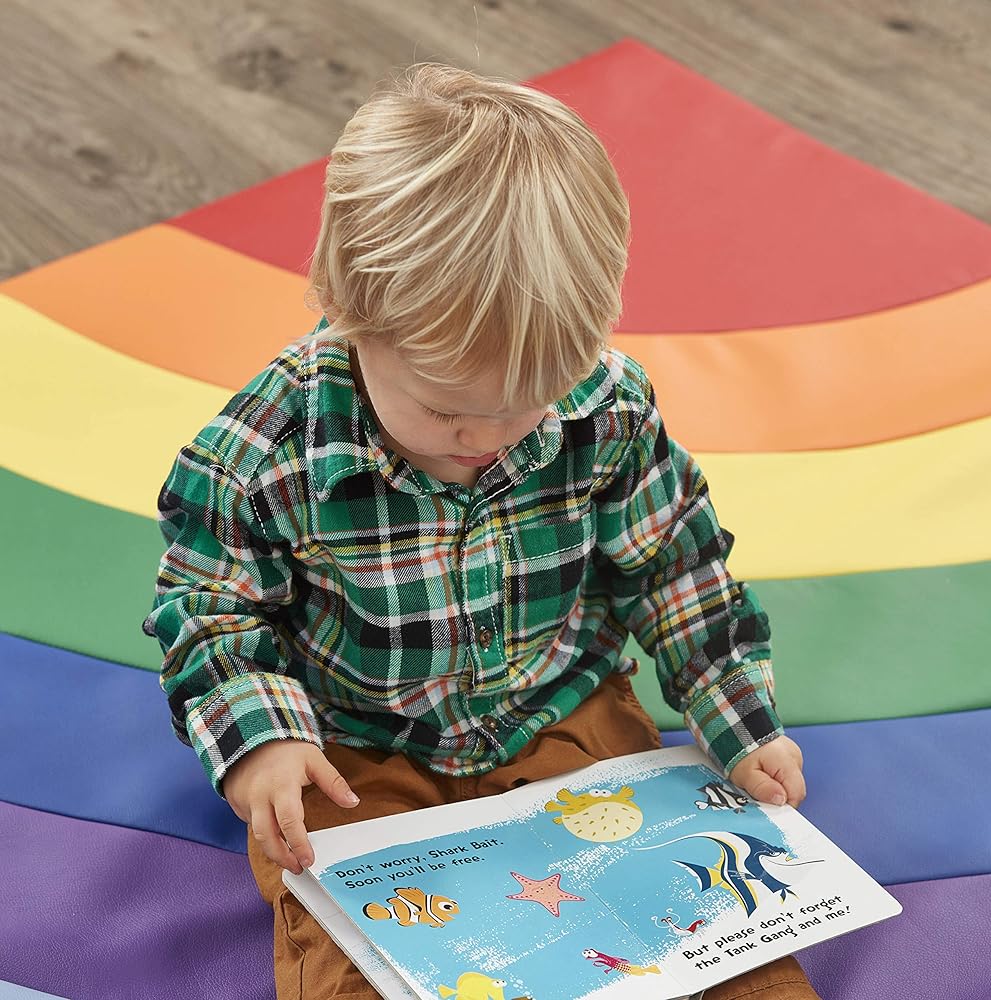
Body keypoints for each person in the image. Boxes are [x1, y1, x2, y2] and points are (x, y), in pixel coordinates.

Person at [143, 62, 815, 1000]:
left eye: (526, 404)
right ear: (349, 309)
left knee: (707, 923)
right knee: (355, 957)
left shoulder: (607, 406)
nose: (486, 438)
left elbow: (678, 568)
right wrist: (261, 737)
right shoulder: (261, 455)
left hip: (562, 711)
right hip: (356, 747)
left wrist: (737, 717)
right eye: (447, 409)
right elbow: (211, 611)